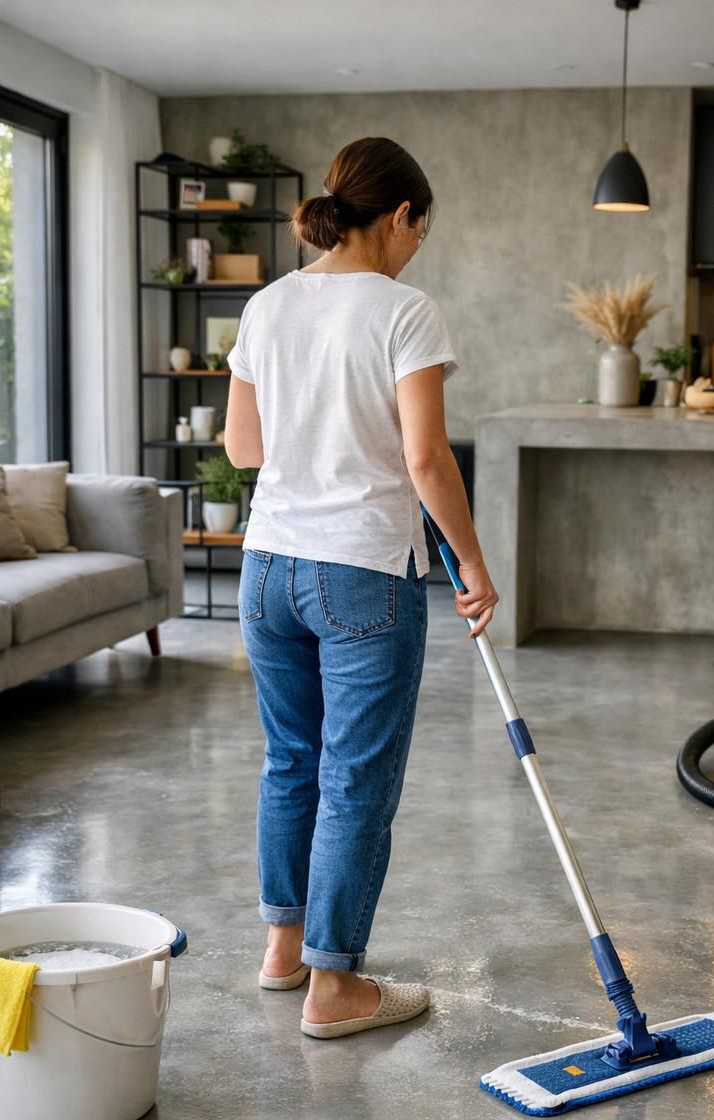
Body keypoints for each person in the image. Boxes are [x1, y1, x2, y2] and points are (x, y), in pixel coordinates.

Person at [224, 135, 498, 1039]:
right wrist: (471, 560)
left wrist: (314, 435)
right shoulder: (405, 310)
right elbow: (426, 459)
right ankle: (335, 989)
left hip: (265, 568)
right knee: (354, 780)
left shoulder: (267, 306)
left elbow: (243, 450)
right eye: (422, 229)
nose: (419, 246)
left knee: (290, 762)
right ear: (401, 216)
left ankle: (283, 949)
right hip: (361, 573)